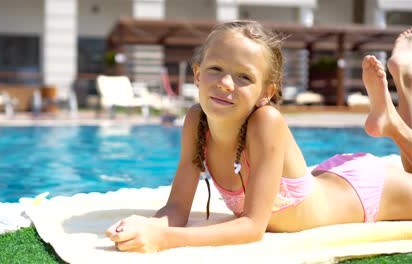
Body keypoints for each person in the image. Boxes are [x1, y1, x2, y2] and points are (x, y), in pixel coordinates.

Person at [106, 21, 412, 253]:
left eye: (244, 77)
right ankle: (390, 121)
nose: (225, 83)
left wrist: (165, 239)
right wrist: (147, 226)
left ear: (266, 93)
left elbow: (252, 228)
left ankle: (400, 97)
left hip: (367, 193)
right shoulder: (196, 121)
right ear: (197, 74)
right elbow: (176, 210)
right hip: (330, 178)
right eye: (216, 69)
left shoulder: (266, 121)